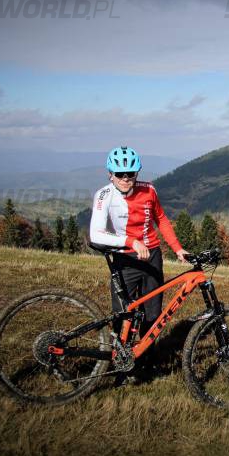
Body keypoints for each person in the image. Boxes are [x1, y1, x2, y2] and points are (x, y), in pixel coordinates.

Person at [89, 145, 190, 378]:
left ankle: (145, 362)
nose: (126, 179)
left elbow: (161, 219)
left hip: (152, 257)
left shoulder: (149, 190)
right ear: (110, 174)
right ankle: (119, 363)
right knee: (122, 314)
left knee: (153, 314)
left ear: (137, 173)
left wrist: (177, 248)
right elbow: (95, 234)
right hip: (124, 258)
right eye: (120, 174)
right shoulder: (104, 195)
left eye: (130, 174)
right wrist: (131, 242)